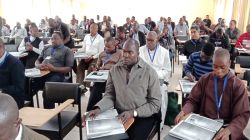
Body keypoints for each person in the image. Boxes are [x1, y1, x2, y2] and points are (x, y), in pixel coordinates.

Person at [82, 39, 161, 140]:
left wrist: (133, 113)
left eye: (130, 52)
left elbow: (155, 104)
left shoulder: (150, 72)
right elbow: (110, 95)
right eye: (124, 51)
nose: (126, 55)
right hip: (120, 114)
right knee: (101, 137)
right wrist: (98, 109)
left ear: (138, 53)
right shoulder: (114, 70)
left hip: (142, 116)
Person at [175, 48, 250, 140]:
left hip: (227, 127)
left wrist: (229, 130)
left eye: (222, 67)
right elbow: (193, 100)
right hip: (205, 125)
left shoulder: (237, 85)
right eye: (215, 67)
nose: (218, 71)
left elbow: (242, 115)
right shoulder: (204, 79)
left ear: (229, 64)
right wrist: (184, 111)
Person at [139, 31, 171, 128]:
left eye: (151, 40)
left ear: (157, 40)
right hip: (142, 81)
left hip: (158, 80)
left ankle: (159, 126)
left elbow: (167, 71)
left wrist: (154, 74)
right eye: (147, 40)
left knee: (161, 100)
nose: (149, 42)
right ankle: (144, 123)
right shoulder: (140, 50)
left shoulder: (164, 52)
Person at [35, 32, 74, 109]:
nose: (53, 40)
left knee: (47, 90)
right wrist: (38, 65)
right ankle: (29, 110)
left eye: (55, 38)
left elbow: (69, 68)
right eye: (52, 38)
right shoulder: (46, 48)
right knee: (27, 84)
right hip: (42, 72)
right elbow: (37, 61)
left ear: (62, 40)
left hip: (57, 74)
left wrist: (54, 69)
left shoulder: (67, 51)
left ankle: (49, 115)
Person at [86, 37, 122, 111]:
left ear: (114, 45)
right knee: (96, 88)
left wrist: (111, 69)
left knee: (99, 87)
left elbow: (121, 67)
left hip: (114, 75)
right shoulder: (102, 54)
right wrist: (95, 68)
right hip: (102, 75)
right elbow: (98, 65)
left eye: (109, 47)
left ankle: (99, 108)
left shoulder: (120, 53)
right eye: (105, 46)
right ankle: (90, 111)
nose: (107, 48)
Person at [0, 38, 25, 108]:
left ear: (1, 47)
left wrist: (1, 90)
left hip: (12, 101)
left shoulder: (15, 64)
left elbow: (19, 88)